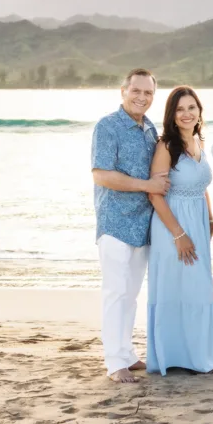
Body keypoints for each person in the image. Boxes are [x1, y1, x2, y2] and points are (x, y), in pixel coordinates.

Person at [91, 68, 168, 383]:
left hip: (143, 225)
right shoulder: (108, 126)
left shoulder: (150, 128)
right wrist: (147, 185)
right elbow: (102, 174)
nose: (142, 97)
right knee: (115, 292)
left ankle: (127, 352)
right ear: (123, 91)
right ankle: (114, 362)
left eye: (148, 93)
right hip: (115, 223)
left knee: (131, 293)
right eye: (136, 91)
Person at [146, 86, 213, 375]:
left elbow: (201, 188)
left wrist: (211, 221)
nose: (187, 114)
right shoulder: (166, 146)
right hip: (172, 226)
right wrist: (179, 235)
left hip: (198, 224)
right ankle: (173, 356)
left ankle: (200, 356)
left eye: (191, 107)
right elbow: (156, 195)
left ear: (200, 111)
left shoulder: (199, 143)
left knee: (197, 288)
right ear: (172, 115)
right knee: (175, 288)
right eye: (180, 109)